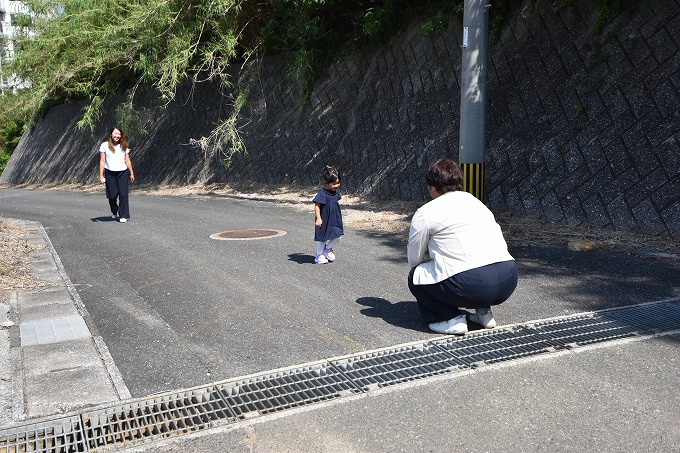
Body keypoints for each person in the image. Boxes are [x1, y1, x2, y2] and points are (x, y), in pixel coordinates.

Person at [407, 158, 517, 335]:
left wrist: (426, 276)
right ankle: (484, 313)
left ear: (433, 187)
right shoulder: (476, 202)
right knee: (474, 263)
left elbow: (414, 257)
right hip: (508, 278)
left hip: (472, 283)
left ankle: (450, 319)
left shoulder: (426, 212)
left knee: (416, 277)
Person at [99, 126, 135, 223]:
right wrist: (101, 175)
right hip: (110, 173)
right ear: (111, 134)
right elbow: (102, 161)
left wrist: (131, 172)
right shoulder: (104, 145)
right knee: (112, 195)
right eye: (115, 133)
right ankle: (114, 211)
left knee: (123, 194)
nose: (117, 136)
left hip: (123, 173)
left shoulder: (124, 145)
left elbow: (127, 160)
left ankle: (123, 215)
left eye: (119, 134)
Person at [313, 165, 344, 264]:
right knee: (323, 238)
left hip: (334, 218)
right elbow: (317, 206)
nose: (336, 185)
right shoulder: (322, 193)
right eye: (334, 184)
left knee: (338, 234)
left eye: (338, 183)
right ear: (327, 183)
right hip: (325, 218)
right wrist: (318, 218)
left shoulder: (335, 192)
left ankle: (327, 249)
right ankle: (318, 255)